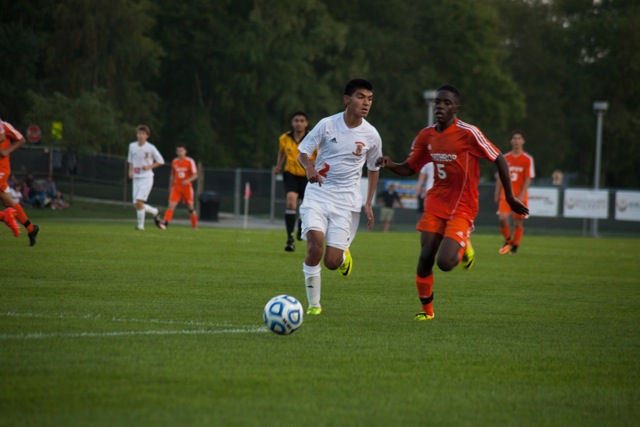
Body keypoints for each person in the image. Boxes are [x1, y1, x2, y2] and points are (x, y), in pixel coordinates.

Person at [376, 84, 528, 321]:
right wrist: (391, 164)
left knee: (445, 262)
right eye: (438, 102)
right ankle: (427, 312)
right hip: (436, 202)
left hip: (463, 205)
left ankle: (464, 245)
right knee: (425, 257)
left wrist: (509, 196)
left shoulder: (468, 133)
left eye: (447, 103)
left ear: (456, 108)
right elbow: (411, 167)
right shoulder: (426, 135)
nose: (440, 106)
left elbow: (499, 159)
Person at [297, 78, 382, 316]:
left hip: (346, 201)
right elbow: (303, 151)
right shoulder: (327, 125)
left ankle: (344, 256)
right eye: (360, 97)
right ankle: (314, 306)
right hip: (318, 193)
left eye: (370, 98)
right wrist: (309, 168)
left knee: (332, 262)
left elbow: (374, 168)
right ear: (347, 100)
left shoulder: (372, 135)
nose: (366, 103)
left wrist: (368, 202)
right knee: (315, 246)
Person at [273, 111, 313, 252]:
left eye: (302, 120)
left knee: (304, 206)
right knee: (291, 201)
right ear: (292, 122)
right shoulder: (284, 138)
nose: (299, 123)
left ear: (306, 123)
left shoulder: (312, 138)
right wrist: (278, 165)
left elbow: (319, 155)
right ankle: (290, 239)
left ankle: (301, 225)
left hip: (307, 176)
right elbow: (282, 151)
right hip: (290, 174)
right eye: (296, 120)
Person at [494, 130, 535, 254]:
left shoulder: (527, 159)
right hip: (505, 194)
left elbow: (528, 178)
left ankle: (515, 245)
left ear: (523, 141)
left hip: (520, 195)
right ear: (511, 141)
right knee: (502, 218)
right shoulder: (505, 158)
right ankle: (508, 240)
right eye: (514, 138)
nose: (516, 141)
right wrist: (497, 192)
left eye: (519, 138)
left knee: (517, 222)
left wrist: (522, 195)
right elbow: (501, 177)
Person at [0, 118, 40, 245]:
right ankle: (31, 228)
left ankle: (4, 217)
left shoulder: (4, 126)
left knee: (9, 205)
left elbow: (21, 139)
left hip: (1, 169)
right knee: (9, 202)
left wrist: (7, 150)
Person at [127, 124, 165, 231]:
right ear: (136, 135)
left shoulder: (151, 147)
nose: (141, 136)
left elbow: (161, 161)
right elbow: (130, 161)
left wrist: (149, 166)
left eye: (143, 134)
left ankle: (140, 226)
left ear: (147, 136)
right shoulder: (132, 146)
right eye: (139, 133)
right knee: (136, 204)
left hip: (147, 178)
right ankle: (155, 211)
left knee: (139, 201)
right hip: (136, 178)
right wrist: (130, 171)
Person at [161, 144, 198, 229]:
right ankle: (165, 223)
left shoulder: (190, 161)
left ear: (185, 151)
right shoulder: (174, 161)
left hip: (187, 187)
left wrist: (188, 180)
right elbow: (172, 175)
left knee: (190, 207)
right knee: (171, 205)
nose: (180, 153)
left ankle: (194, 225)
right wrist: (170, 186)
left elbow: (195, 175)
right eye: (178, 151)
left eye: (182, 151)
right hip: (177, 187)